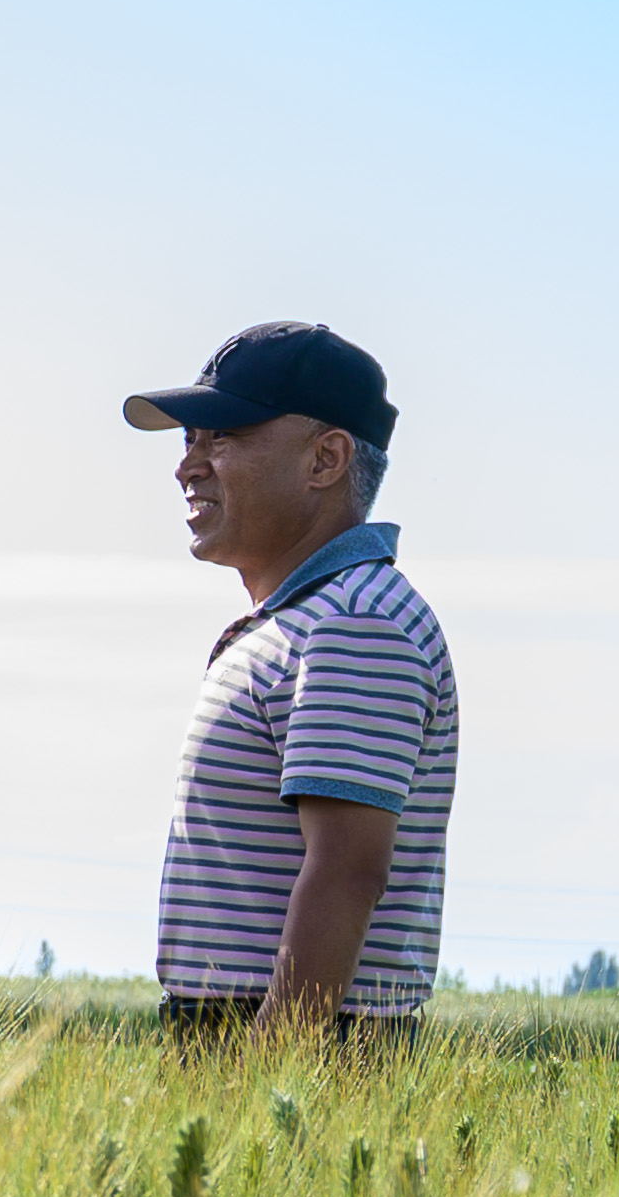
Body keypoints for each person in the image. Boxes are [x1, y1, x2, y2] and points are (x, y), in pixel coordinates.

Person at [134, 321, 454, 1037]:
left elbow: (346, 872)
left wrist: (267, 1079)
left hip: (294, 1051)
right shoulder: (309, 618)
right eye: (189, 440)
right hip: (257, 1038)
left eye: (223, 436)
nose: (188, 466)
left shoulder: (356, 622)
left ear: (326, 459)